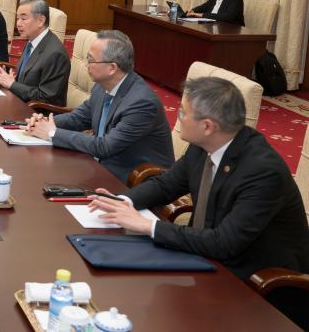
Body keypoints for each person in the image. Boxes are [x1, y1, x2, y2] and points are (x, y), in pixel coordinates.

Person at [89, 77, 309, 328]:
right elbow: (166, 185)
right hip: (207, 257)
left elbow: (224, 243)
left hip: (256, 284)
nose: (178, 117)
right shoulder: (204, 145)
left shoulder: (262, 171)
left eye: (183, 112)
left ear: (207, 126)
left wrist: (148, 226)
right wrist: (121, 201)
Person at [24, 30, 174, 182]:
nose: (86, 65)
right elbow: (80, 117)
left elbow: (105, 147)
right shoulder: (102, 86)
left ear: (112, 68)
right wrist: (46, 123)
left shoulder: (141, 103)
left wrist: (52, 133)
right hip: (99, 165)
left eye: (91, 60)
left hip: (132, 179)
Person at [0, 0, 70, 106]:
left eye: (23, 18)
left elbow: (45, 97)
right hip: (20, 102)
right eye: (17, 18)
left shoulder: (55, 54)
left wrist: (12, 84)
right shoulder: (32, 41)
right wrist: (11, 80)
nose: (18, 23)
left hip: (38, 112)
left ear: (40, 21)